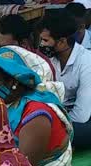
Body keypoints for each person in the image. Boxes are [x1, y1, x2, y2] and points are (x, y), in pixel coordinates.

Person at [39, 10, 91, 149]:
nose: (42, 45)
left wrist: (55, 125)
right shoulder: (47, 60)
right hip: (58, 116)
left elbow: (81, 116)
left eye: (45, 40)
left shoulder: (87, 61)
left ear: (62, 42)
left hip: (82, 120)